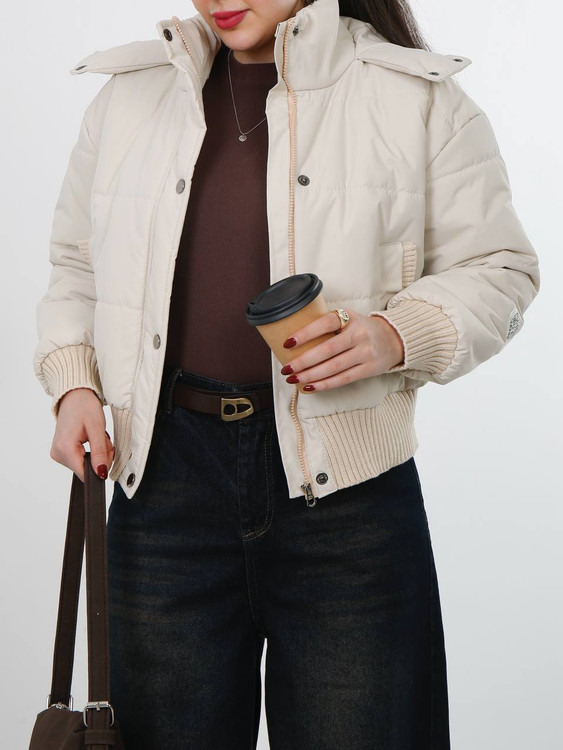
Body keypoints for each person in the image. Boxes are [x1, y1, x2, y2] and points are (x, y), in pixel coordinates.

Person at [33, 0, 540, 747]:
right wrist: (75, 382)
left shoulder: (417, 98)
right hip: (162, 486)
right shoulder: (129, 96)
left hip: (350, 494)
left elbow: (499, 269)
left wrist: (399, 334)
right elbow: (77, 264)